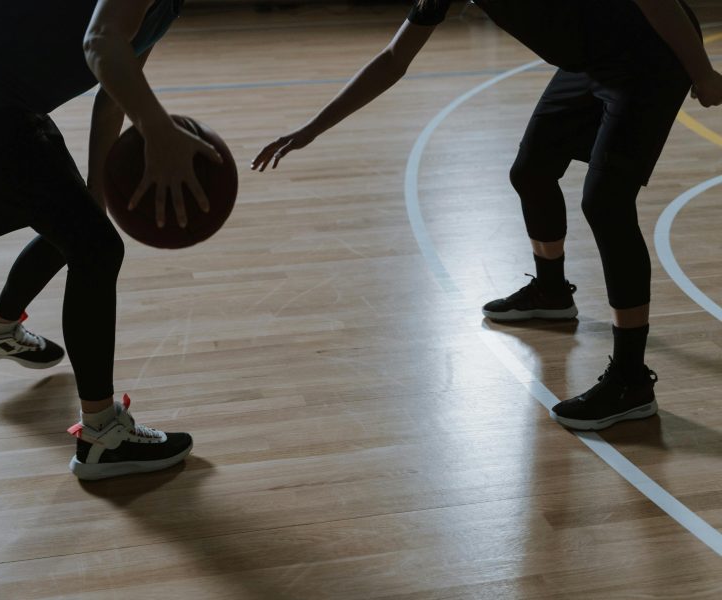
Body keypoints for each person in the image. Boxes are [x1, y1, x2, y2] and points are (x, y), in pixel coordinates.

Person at [252, 0, 722, 430]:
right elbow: (395, 58)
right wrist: (313, 128)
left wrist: (701, 72)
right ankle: (552, 292)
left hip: (651, 55)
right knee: (531, 172)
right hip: (592, 60)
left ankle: (631, 381)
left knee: (606, 204)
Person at [0, 0, 222, 479]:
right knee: (97, 248)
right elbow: (100, 43)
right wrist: (158, 131)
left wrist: (97, 190)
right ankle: (102, 436)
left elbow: (114, 92)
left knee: (83, 230)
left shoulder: (169, 5)